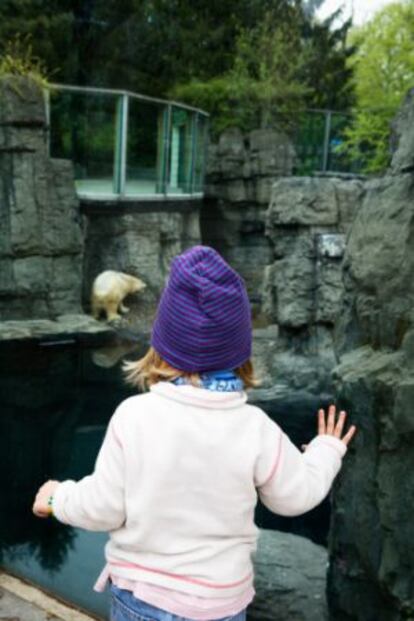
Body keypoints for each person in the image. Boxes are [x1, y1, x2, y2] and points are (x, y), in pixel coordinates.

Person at [33, 245, 356, 621]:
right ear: (241, 352)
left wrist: (60, 498)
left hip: (143, 600)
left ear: (161, 345)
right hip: (222, 605)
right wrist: (326, 450)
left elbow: (104, 507)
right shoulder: (254, 427)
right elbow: (295, 495)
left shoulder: (134, 416)